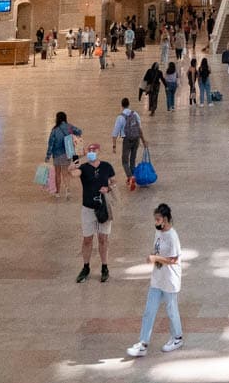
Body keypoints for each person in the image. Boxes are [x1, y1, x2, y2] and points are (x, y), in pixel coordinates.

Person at [128, 203, 185, 356]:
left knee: (171, 310)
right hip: (157, 279)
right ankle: (143, 343)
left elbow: (173, 259)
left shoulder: (172, 236)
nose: (156, 222)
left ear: (165, 220)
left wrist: (155, 258)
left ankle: (177, 337)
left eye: (158, 219)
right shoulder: (158, 233)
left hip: (170, 279)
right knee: (149, 310)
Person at [77, 144, 116, 281]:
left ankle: (104, 267)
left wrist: (108, 188)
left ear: (99, 151)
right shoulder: (83, 168)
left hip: (103, 207)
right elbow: (73, 173)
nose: (92, 152)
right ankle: (86, 266)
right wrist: (75, 161)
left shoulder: (106, 166)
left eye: (94, 150)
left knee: (103, 238)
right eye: (90, 150)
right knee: (87, 239)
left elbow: (114, 182)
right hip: (88, 208)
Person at [46, 111, 81, 199]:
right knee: (65, 173)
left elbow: (51, 144)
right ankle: (68, 191)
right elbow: (79, 131)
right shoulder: (69, 127)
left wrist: (48, 156)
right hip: (68, 153)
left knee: (57, 174)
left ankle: (57, 192)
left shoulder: (55, 130)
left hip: (57, 154)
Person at [112, 97, 146, 182]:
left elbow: (115, 133)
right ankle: (132, 176)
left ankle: (130, 177)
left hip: (127, 140)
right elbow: (139, 128)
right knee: (132, 159)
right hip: (136, 139)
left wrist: (114, 146)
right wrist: (143, 140)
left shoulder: (120, 117)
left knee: (124, 161)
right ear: (129, 104)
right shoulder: (135, 114)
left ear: (122, 105)